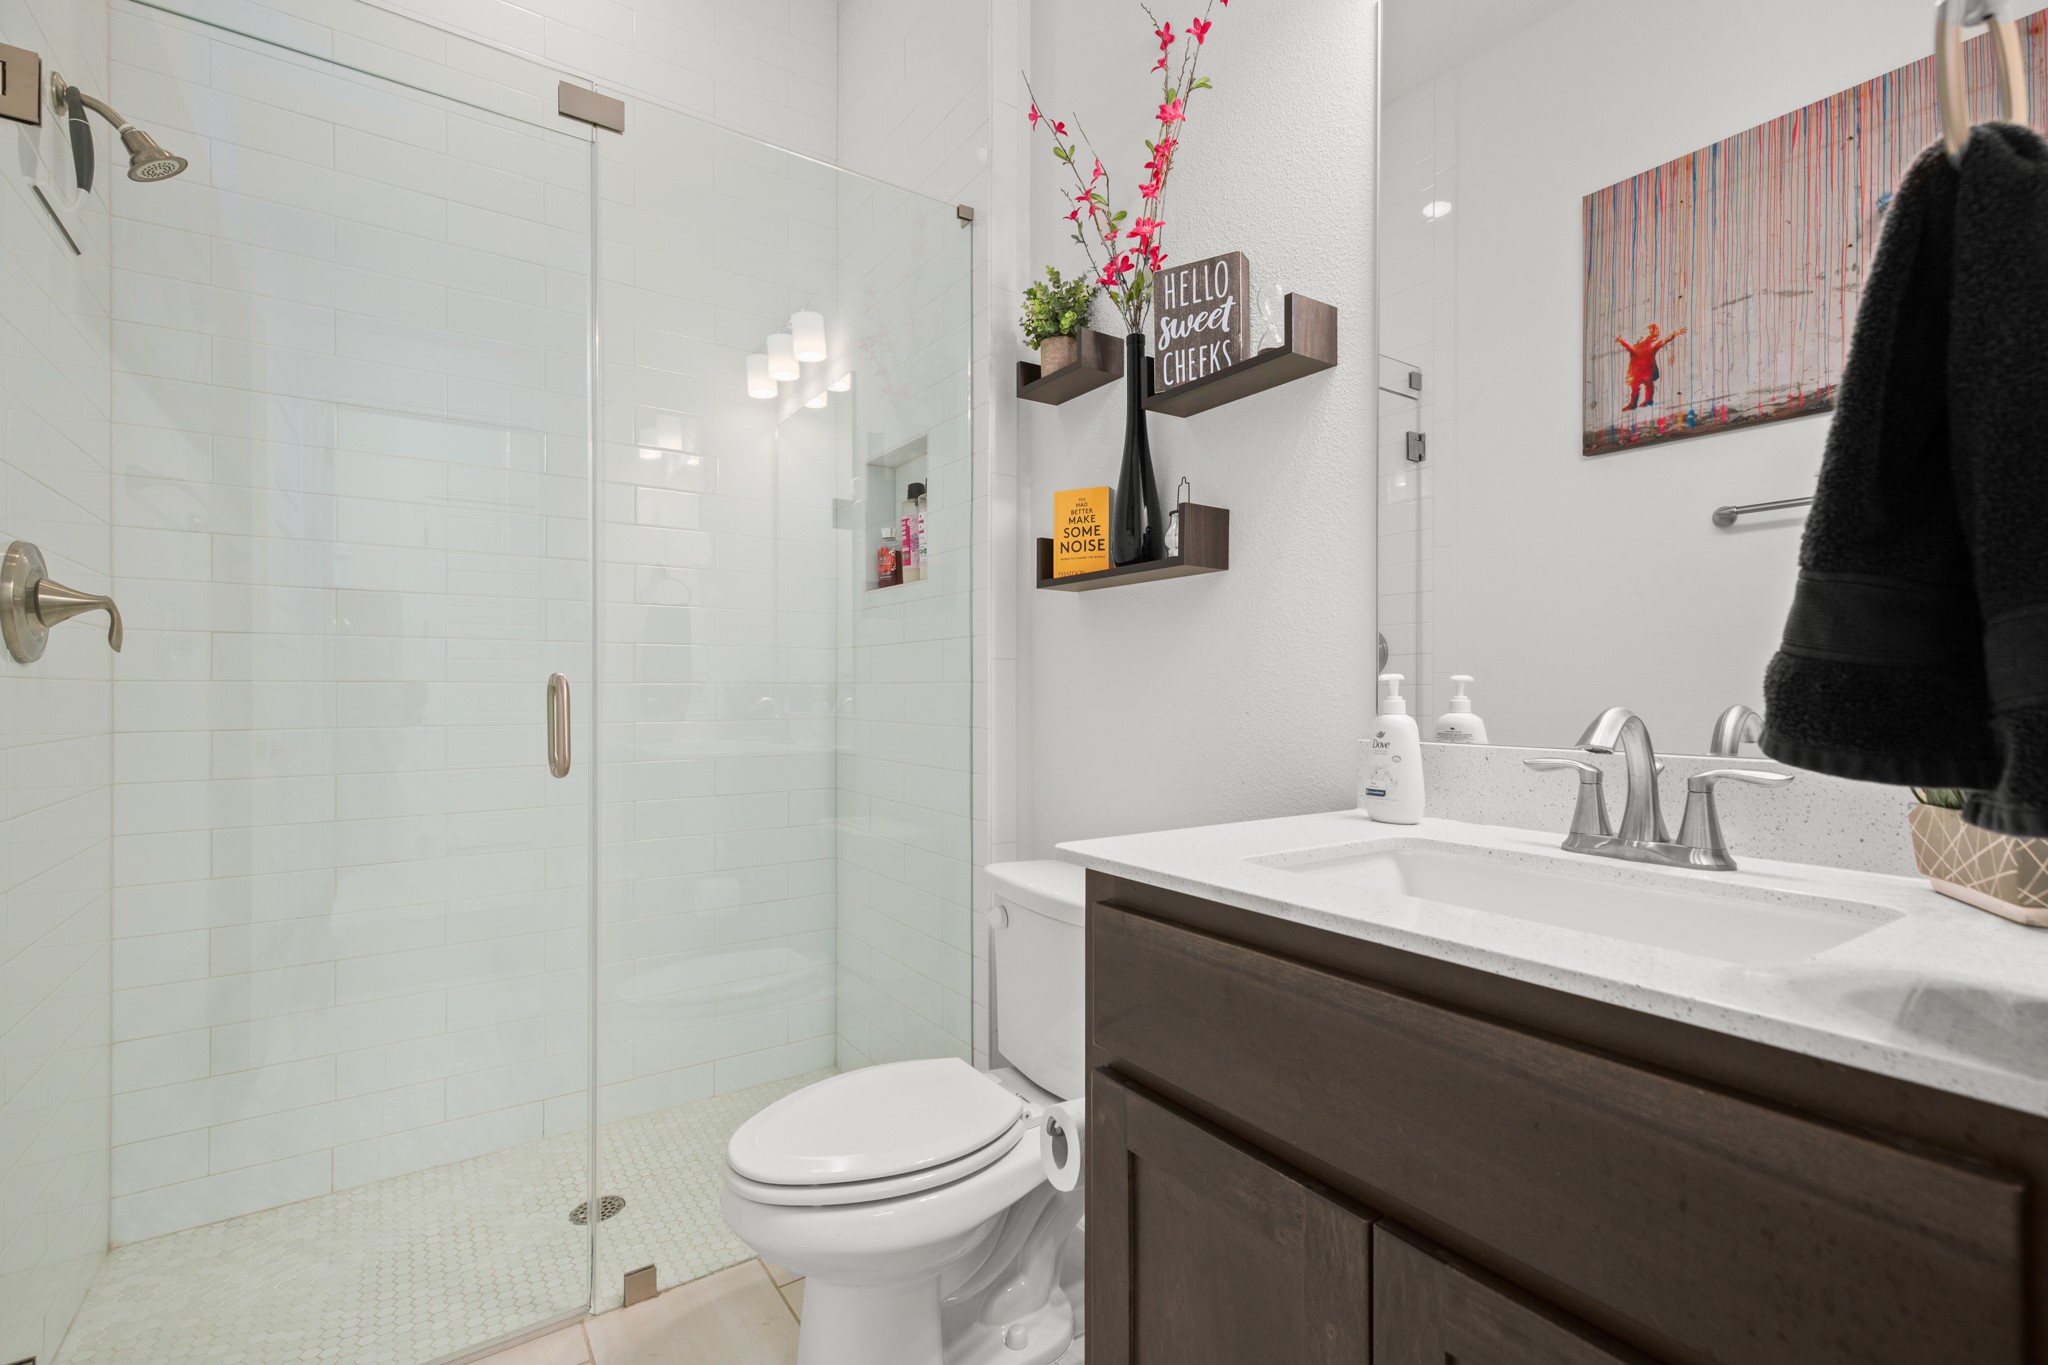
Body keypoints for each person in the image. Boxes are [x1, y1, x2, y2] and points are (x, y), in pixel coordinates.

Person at [1616, 324, 1687, 411]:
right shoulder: (1646, 345)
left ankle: (1640, 402)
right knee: (1645, 386)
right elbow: (1664, 341)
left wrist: (1622, 341)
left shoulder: (1644, 346)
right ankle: (1644, 401)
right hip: (1643, 372)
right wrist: (1676, 333)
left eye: (1647, 332)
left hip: (1642, 372)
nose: (1643, 334)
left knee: (1641, 387)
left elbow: (1630, 348)